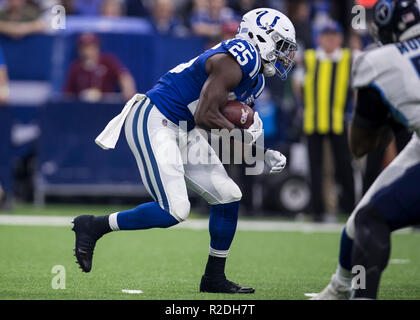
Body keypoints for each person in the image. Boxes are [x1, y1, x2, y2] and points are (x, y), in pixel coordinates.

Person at [72, 8, 295, 294]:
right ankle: (93, 225)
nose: (284, 55)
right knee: (174, 210)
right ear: (261, 36)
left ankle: (213, 277)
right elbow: (205, 114)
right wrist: (244, 137)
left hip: (186, 129)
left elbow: (223, 124)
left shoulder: (257, 78)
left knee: (229, 196)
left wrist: (261, 151)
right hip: (156, 118)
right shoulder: (241, 55)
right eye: (281, 46)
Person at [314, 0, 420, 300]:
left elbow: (360, 145)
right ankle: (339, 286)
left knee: (370, 219)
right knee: (358, 220)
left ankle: (361, 296)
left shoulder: (381, 60)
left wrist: (384, 114)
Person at [293, 20, 356, 222]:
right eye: (326, 36)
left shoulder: (349, 58)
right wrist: (303, 107)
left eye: (333, 35)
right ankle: (317, 210)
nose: (330, 40)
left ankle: (350, 208)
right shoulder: (310, 58)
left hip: (338, 120)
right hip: (313, 120)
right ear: (319, 38)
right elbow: (297, 84)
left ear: (339, 38)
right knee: (315, 167)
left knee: (344, 165)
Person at [64, 33, 136, 102]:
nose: (88, 52)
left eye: (92, 48)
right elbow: (68, 95)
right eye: (85, 48)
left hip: (105, 107)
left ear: (97, 48)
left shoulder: (107, 61)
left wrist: (128, 92)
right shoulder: (75, 67)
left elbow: (124, 76)